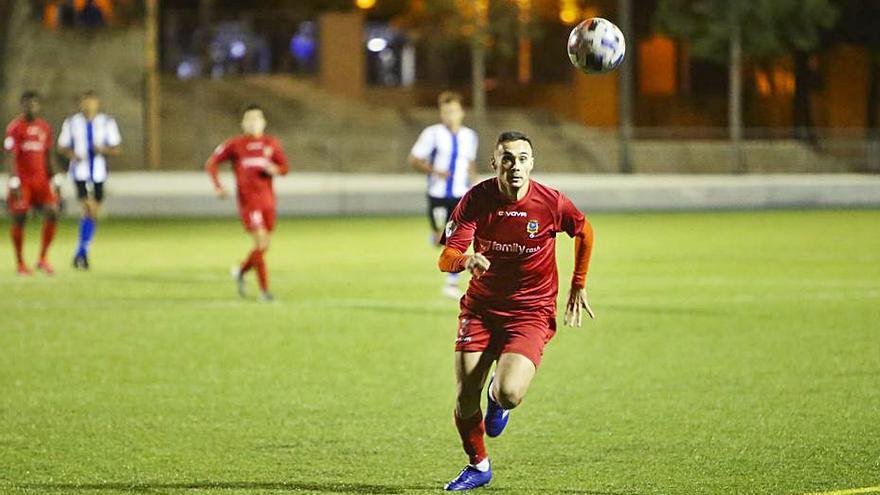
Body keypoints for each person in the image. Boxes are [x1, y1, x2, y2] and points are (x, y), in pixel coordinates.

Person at [437, 131, 596, 491]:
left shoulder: (550, 202)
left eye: (523, 158)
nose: (515, 166)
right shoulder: (476, 200)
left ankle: (499, 397)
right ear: (494, 163)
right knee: (464, 396)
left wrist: (579, 282)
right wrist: (467, 259)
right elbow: (446, 258)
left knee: (509, 393)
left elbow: (585, 231)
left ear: (532, 163)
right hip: (480, 310)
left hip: (530, 312)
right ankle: (478, 465)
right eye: (508, 158)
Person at [205, 104, 289, 302]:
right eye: (249, 119)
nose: (253, 123)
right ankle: (264, 291)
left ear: (264, 122)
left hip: (268, 201)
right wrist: (218, 186)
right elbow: (212, 163)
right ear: (243, 123)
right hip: (249, 203)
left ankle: (242, 271)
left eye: (256, 119)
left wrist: (275, 170)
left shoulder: (271, 144)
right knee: (260, 242)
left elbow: (285, 167)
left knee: (264, 246)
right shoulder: (235, 144)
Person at [409, 91, 478, 299]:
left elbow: (470, 162)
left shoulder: (470, 136)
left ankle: (451, 282)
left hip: (460, 195)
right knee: (441, 237)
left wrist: (474, 183)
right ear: (441, 114)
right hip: (437, 194)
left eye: (454, 111)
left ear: (461, 113)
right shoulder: (432, 134)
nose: (450, 115)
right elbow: (414, 159)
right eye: (446, 111)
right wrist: (434, 171)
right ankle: (436, 237)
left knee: (457, 238)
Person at [58, 90, 122, 270]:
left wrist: (103, 149)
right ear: (81, 104)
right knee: (89, 208)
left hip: (99, 173)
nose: (89, 106)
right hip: (80, 173)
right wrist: (73, 155)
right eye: (86, 102)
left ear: (97, 104)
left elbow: (117, 148)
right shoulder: (72, 123)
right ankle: (82, 254)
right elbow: (61, 147)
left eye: (92, 102)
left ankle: (81, 252)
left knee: (91, 214)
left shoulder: (107, 122)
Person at [4, 91, 60, 275]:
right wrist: (13, 180)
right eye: (27, 104)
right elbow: (10, 155)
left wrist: (55, 177)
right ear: (22, 106)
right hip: (23, 181)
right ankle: (20, 263)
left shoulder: (44, 127)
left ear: (39, 106)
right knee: (20, 217)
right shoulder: (14, 127)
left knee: (52, 212)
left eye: (34, 104)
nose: (31, 107)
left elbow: (48, 154)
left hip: (42, 180)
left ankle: (43, 258)